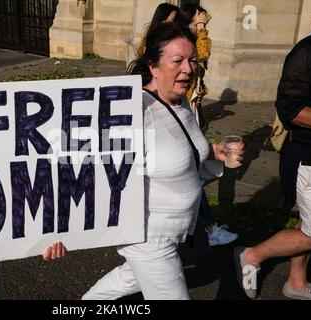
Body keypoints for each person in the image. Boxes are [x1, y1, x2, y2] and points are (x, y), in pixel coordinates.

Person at [44, 21, 244, 300]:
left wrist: (213, 151)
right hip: (148, 238)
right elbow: (80, 164)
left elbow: (177, 151)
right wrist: (54, 230)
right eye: (177, 61)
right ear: (153, 66)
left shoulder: (182, 101)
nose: (188, 68)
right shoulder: (133, 109)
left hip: (176, 231)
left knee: (130, 278)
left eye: (192, 60)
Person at [234, 22, 311, 300]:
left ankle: (295, 282)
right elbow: (291, 110)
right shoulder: (310, 52)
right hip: (309, 157)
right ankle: (251, 255)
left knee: (310, 222)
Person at [178, 3, 239, 247]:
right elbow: (202, 54)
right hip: (181, 113)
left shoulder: (187, 41)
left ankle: (202, 227)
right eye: (195, 20)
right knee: (194, 175)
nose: (200, 24)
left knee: (193, 173)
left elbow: (199, 64)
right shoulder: (183, 42)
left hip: (191, 111)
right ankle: (208, 228)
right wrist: (201, 28)